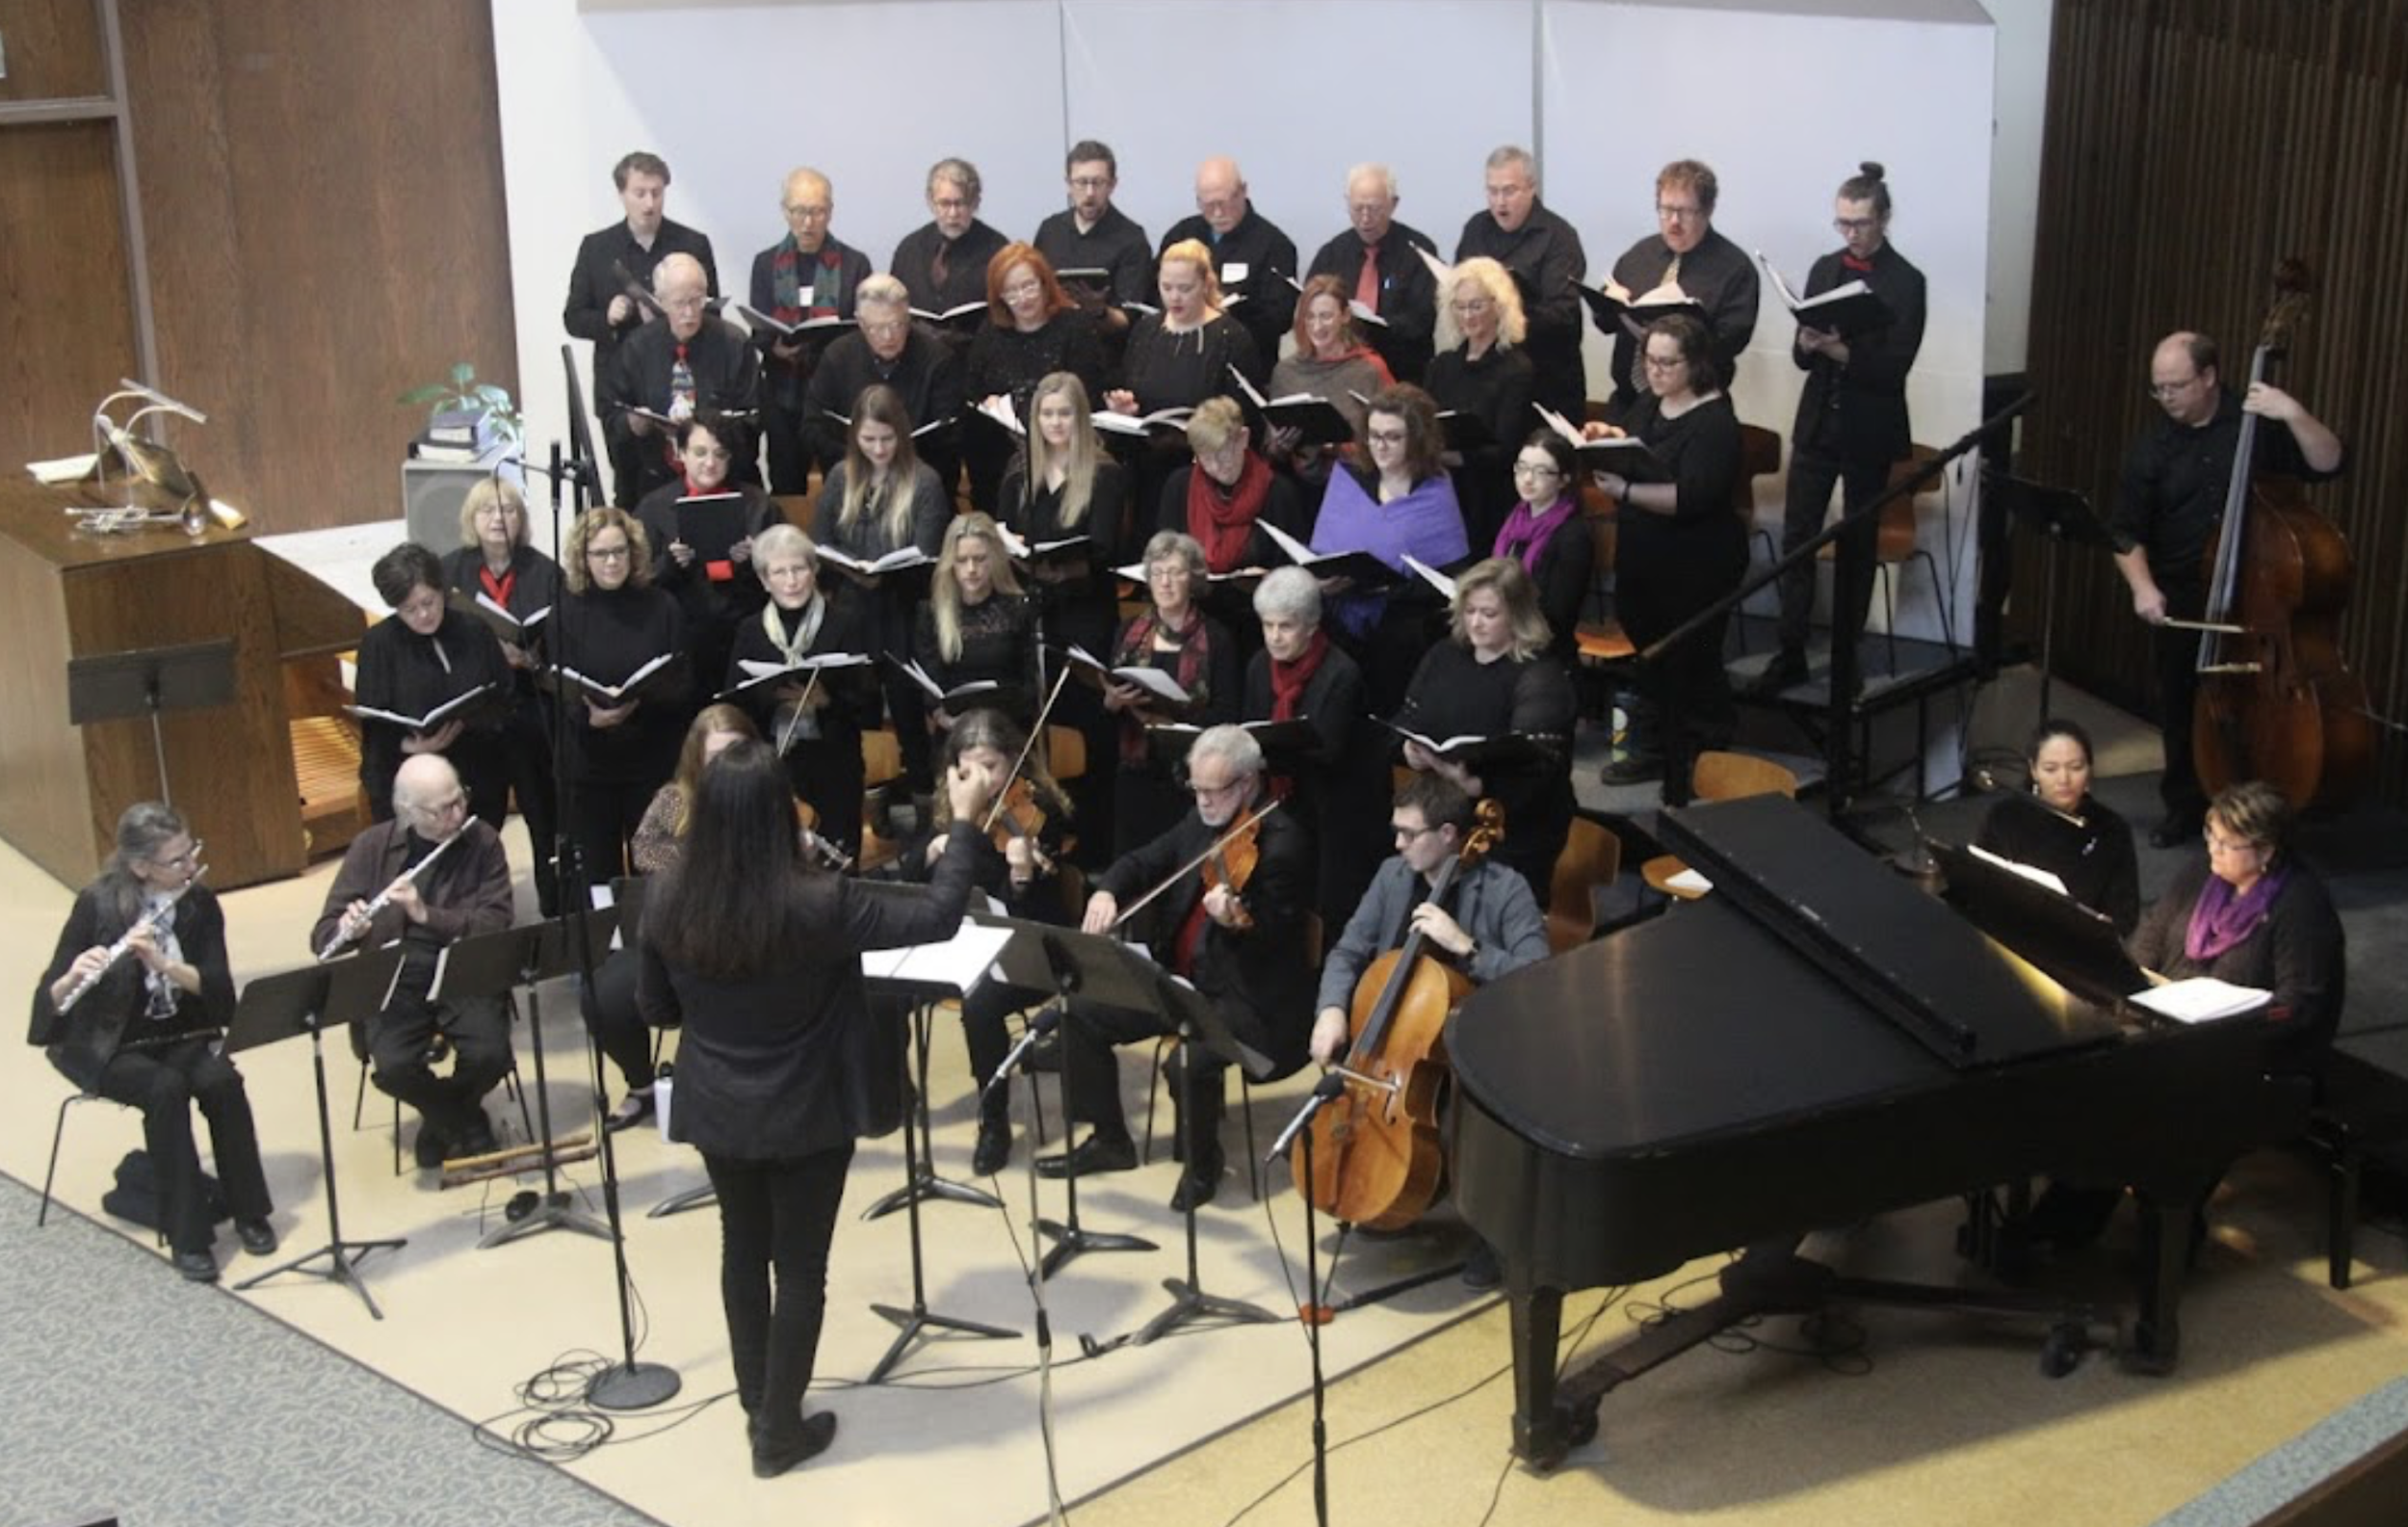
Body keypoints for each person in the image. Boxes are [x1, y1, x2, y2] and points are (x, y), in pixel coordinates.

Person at [636, 738, 997, 1476]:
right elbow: (938, 917)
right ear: (779, 813)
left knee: (742, 1248)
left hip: (717, 1104)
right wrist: (964, 821)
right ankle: (777, 1429)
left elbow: (657, 1007)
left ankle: (756, 1400)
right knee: (800, 1267)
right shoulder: (819, 899)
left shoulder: (668, 896)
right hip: (807, 1107)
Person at [2018, 779, 2345, 1255]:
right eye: (2210, 834)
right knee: (2103, 1084)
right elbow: (2149, 938)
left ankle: (2164, 1231)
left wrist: (2223, 1025)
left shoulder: (2300, 906)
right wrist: (2131, 985)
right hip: (2175, 1033)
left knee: (2163, 1108)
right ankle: (2069, 1219)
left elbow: (2301, 1005)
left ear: (2266, 850)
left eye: (2227, 843)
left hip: (2257, 1055)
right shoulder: (2202, 875)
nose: (2212, 848)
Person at [1049, 725, 1316, 1211]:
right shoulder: (1199, 824)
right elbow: (1142, 861)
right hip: (1180, 981)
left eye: (1216, 791)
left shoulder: (1282, 845)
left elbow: (1274, 940)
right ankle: (1109, 1138)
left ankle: (1202, 1163)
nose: (1205, 802)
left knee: (1187, 1061)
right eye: (1197, 789)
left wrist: (1236, 923)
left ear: (1249, 784)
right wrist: (1108, 890)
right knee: (1079, 1011)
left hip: (1243, 996)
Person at [1306, 773, 1549, 1286]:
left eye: (1408, 834)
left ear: (1448, 834)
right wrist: (1330, 1009)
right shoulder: (1392, 876)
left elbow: (1538, 979)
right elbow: (1349, 951)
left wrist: (1469, 948)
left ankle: (1493, 1234)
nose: (1397, 844)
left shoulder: (1508, 890)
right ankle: (1396, 1193)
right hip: (1399, 1042)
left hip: (1485, 1043)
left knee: (1468, 1115)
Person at [2108, 331, 2344, 847]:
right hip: (2184, 595)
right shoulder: (2153, 448)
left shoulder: (2258, 424)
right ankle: (2186, 807)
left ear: (2210, 376)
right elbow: (2125, 532)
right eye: (2158, 389)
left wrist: (2293, 412)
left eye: (2176, 386)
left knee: (2264, 705)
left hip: (2260, 599)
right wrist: (2143, 589)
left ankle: (2265, 809)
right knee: (2181, 705)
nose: (2167, 398)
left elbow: (2329, 462)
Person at [32, 803, 275, 1282]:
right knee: (165, 1090)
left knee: (221, 1080)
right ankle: (189, 1237)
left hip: (182, 1031)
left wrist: (165, 966)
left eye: (191, 853)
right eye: (177, 860)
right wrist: (74, 977)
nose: (190, 867)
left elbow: (220, 992)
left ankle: (250, 1212)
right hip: (110, 1043)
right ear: (140, 865)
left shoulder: (199, 904)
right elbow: (48, 1001)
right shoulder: (96, 904)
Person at [1751, 163, 1928, 701]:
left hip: (1868, 428)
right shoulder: (1826, 267)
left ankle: (1848, 656)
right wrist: (1807, 345)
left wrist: (1841, 351)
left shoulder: (1906, 281)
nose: (1851, 234)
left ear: (1885, 219)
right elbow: (1803, 355)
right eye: (1843, 223)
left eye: (1861, 224)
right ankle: (1791, 650)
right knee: (1798, 538)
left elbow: (1893, 368)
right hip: (1819, 424)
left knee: (1857, 541)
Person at [310, 754, 514, 1169]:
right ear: (409, 812)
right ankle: (461, 1119)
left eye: (460, 800)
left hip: (463, 967)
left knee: (491, 1053)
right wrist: (354, 929)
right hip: (395, 975)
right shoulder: (372, 848)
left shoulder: (483, 841)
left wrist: (426, 916)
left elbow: (496, 921)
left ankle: (441, 1121)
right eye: (443, 809)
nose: (458, 814)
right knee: (394, 1065)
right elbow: (321, 937)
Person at [897, 709, 1074, 1175]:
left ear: (1014, 760)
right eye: (969, 768)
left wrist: (1021, 877)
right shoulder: (948, 811)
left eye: (992, 766)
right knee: (882, 987)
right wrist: (934, 850)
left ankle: (992, 1121)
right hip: (958, 945)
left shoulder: (1043, 814)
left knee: (980, 1005)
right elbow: (908, 877)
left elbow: (1041, 917)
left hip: (1026, 953)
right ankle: (894, 1091)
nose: (981, 779)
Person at [1587, 315, 1746, 795]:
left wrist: (1625, 489)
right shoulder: (1650, 403)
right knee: (1649, 653)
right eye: (1649, 360)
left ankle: (1699, 752)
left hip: (1697, 558)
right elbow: (1635, 444)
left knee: (1689, 659)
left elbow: (1691, 497)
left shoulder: (1716, 422)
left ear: (1695, 363)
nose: (1654, 372)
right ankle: (1658, 748)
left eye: (1666, 363)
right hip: (1645, 553)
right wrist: (1605, 436)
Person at [595, 704, 762, 1133]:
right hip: (677, 938)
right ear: (696, 759)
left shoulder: (764, 796)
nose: (726, 767)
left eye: (737, 753)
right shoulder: (675, 798)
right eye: (716, 757)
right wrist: (703, 858)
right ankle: (641, 1085)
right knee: (605, 997)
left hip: (751, 940)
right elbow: (645, 850)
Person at [1394, 558, 1578, 908]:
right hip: (1442, 819)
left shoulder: (1540, 677)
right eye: (1470, 610)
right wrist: (1408, 748)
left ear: (1518, 615)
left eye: (1489, 614)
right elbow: (1408, 715)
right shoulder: (1444, 654)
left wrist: (1477, 787)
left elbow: (1539, 769)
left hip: (1515, 828)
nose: (1475, 622)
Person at [999, 371, 1126, 855]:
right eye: (1046, 414)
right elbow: (1005, 536)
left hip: (1085, 618)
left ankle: (1095, 841)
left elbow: (1104, 550)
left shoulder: (1104, 472)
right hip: (1035, 616)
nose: (1055, 423)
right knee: (1036, 728)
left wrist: (1057, 570)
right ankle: (1043, 833)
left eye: (1064, 413)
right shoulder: (1019, 472)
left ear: (1081, 417)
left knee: (1089, 726)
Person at [813, 383, 953, 795]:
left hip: (905, 608)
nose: (878, 448)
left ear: (902, 435)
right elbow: (820, 539)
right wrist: (854, 572)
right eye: (869, 439)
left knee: (908, 712)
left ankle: (922, 797)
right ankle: (873, 798)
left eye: (887, 439)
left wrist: (881, 574)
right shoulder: (841, 476)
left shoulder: (924, 481)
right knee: (860, 711)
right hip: (854, 609)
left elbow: (929, 552)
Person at [563, 150, 719, 507]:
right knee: (630, 490)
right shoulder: (597, 248)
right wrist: (607, 317)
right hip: (624, 389)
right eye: (640, 193)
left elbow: (713, 312)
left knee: (695, 481)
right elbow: (573, 318)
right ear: (622, 194)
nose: (650, 203)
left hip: (684, 382)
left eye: (657, 192)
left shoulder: (692, 244)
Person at [440, 476, 564, 915]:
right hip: (478, 716)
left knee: (544, 815)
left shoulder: (544, 570)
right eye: (487, 510)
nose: (498, 518)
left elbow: (564, 636)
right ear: (471, 520)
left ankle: (557, 910)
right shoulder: (451, 570)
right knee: (479, 817)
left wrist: (532, 659)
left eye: (508, 509)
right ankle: (476, 914)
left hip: (532, 711)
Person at [1311, 383, 1472, 715]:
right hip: (1339, 610)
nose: (1380, 446)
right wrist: (1323, 580)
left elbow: (1451, 579)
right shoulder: (1350, 477)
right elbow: (1321, 551)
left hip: (1402, 623)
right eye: (1374, 435)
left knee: (1400, 643)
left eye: (1393, 437)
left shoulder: (1436, 491)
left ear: (1417, 440)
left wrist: (1386, 586)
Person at [723, 525, 880, 861]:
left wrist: (827, 702)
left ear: (814, 571)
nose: (791, 581)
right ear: (765, 581)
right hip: (772, 764)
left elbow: (868, 702)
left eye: (799, 569)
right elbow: (734, 702)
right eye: (779, 572)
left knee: (836, 863)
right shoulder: (750, 630)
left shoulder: (844, 623)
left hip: (834, 762)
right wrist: (770, 696)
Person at [550, 505, 688, 885]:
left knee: (659, 871)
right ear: (583, 558)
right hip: (588, 765)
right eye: (600, 553)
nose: (611, 562)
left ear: (634, 552)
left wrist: (643, 699)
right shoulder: (564, 612)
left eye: (619, 551)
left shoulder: (663, 606)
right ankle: (608, 945)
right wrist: (589, 717)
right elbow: (558, 688)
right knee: (596, 876)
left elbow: (682, 683)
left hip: (652, 759)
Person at [1243, 566, 1384, 930]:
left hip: (1332, 810)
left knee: (1321, 908)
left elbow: (1329, 751)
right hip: (1279, 801)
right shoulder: (1260, 665)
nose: (1274, 637)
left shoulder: (1341, 673)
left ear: (1311, 624)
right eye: (1267, 625)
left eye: (1285, 626)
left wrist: (1267, 749)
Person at [1109, 238, 1268, 525]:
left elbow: (1244, 418)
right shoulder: (1146, 331)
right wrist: (1125, 409)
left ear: (1206, 284)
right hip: (1148, 472)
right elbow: (1132, 386)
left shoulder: (1231, 338)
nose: (1175, 298)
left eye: (1185, 288)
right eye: (1166, 287)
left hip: (1204, 475)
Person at [634, 411, 780, 724]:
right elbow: (638, 583)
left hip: (744, 633)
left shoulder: (758, 504)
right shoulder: (654, 507)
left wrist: (754, 563)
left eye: (720, 454)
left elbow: (788, 577)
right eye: (700, 453)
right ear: (680, 453)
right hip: (683, 640)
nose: (710, 463)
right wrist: (670, 564)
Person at [353, 541, 510, 829]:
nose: (423, 615)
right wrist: (412, 745)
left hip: (476, 766)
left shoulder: (474, 629)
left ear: (442, 591)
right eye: (409, 609)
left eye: (428, 602)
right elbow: (374, 725)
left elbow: (504, 694)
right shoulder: (379, 644)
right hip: (411, 775)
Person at [1107, 531, 1243, 855]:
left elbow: (1228, 715)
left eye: (1176, 572)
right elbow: (1110, 704)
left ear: (1193, 579)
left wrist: (1171, 721)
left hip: (1189, 778)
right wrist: (1111, 703)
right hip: (1135, 775)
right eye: (1157, 573)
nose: (1165, 582)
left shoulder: (1217, 638)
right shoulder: (1128, 632)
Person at [748, 167, 874, 493]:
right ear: (785, 211)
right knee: (787, 483)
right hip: (783, 392)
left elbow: (863, 331)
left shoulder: (855, 264)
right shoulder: (765, 263)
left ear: (830, 212)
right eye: (799, 211)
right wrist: (773, 347)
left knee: (844, 482)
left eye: (817, 211)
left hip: (836, 393)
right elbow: (759, 329)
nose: (808, 222)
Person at [601, 252, 762, 507]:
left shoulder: (733, 343)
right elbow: (611, 413)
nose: (689, 312)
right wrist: (633, 423)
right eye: (679, 303)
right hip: (655, 479)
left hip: (723, 478)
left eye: (697, 301)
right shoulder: (637, 347)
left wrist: (709, 432)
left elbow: (754, 417)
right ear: (661, 301)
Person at [1602, 159, 1759, 411]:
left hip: (1694, 409)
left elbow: (1731, 341)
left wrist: (1680, 335)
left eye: (1685, 212)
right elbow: (1605, 323)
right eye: (1665, 210)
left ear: (1707, 211)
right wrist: (1610, 303)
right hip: (1628, 402)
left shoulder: (1735, 268)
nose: (1674, 221)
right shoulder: (1639, 255)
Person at [965, 247, 1108, 513]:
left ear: (1045, 284)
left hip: (1064, 449)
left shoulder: (1074, 327)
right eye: (1011, 291)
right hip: (1004, 450)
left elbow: (1088, 395)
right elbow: (974, 390)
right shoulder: (991, 332)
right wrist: (989, 403)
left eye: (1029, 286)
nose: (1022, 298)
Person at [1453, 145, 1587, 424]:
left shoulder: (1558, 237)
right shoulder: (1476, 228)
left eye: (1509, 191)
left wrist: (1505, 312)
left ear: (1531, 188)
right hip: (1487, 378)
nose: (1500, 202)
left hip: (1545, 379)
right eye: (1492, 191)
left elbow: (1562, 314)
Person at [1975, 719, 2140, 935]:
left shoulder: (2111, 828)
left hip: (2077, 945)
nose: (2064, 779)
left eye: (2076, 767)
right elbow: (1978, 884)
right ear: (2033, 770)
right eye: (2051, 769)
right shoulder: (2004, 816)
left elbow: (2124, 917)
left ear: (2089, 769)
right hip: (2007, 934)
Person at [802, 273, 965, 490]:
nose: (888, 336)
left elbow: (950, 435)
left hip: (919, 484)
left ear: (908, 319)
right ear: (860, 322)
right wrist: (861, 461)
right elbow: (812, 427)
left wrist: (900, 462)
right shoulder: (837, 356)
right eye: (876, 327)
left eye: (897, 325)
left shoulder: (938, 359)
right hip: (853, 483)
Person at [1425, 257, 1537, 555]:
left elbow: (1506, 450)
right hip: (1443, 492)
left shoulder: (1516, 369)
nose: (1467, 316)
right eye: (1459, 307)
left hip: (1488, 498)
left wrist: (1449, 456)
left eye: (1476, 306)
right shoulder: (1442, 365)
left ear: (1498, 306)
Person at [1305, 162, 1441, 384]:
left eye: (1374, 208)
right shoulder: (1332, 254)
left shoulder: (1419, 252)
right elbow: (1309, 307)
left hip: (1402, 372)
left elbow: (1422, 321)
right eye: (1357, 209)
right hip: (1337, 373)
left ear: (1393, 204)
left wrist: (1377, 326)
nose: (1365, 218)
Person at [1158, 155, 1299, 364]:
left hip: (1244, 360)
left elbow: (1280, 317)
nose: (1217, 212)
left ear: (1243, 191)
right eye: (1208, 205)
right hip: (1180, 357)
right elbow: (1153, 293)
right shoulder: (1181, 235)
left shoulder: (1274, 245)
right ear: (1198, 201)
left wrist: (1224, 317)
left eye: (1224, 203)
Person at [914, 512, 1039, 734]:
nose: (971, 569)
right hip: (955, 731)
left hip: (1009, 730)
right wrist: (947, 720)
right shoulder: (931, 613)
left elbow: (1030, 684)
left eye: (980, 559)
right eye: (962, 560)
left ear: (995, 559)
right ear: (950, 563)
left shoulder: (1019, 608)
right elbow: (931, 687)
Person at [1266, 275, 1395, 486]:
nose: (1317, 326)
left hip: (1356, 483)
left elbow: (1394, 441)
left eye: (1325, 316)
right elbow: (1270, 453)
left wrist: (1335, 448)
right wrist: (1280, 446)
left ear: (1345, 316)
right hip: (1298, 487)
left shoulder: (1368, 369)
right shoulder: (1286, 372)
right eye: (1309, 317)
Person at [1490, 430, 1595, 664]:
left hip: (1542, 640)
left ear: (1563, 480)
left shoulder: (1573, 536)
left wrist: (1503, 613)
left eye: (1541, 472)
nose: (1527, 479)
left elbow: (1559, 613)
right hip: (1505, 623)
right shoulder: (1515, 517)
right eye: (1522, 468)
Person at [1033, 139, 1153, 339]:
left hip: (1105, 351)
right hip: (1054, 343)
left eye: (1098, 183)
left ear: (1112, 185)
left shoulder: (1132, 239)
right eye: (1081, 182)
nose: (1089, 193)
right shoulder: (1050, 230)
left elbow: (1129, 319)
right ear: (1068, 185)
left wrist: (1099, 311)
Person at [888, 157, 1010, 333]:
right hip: (922, 355)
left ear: (976, 202)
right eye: (945, 204)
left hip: (976, 352)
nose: (953, 214)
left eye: (961, 203)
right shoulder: (909, 249)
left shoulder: (997, 249)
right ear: (931, 202)